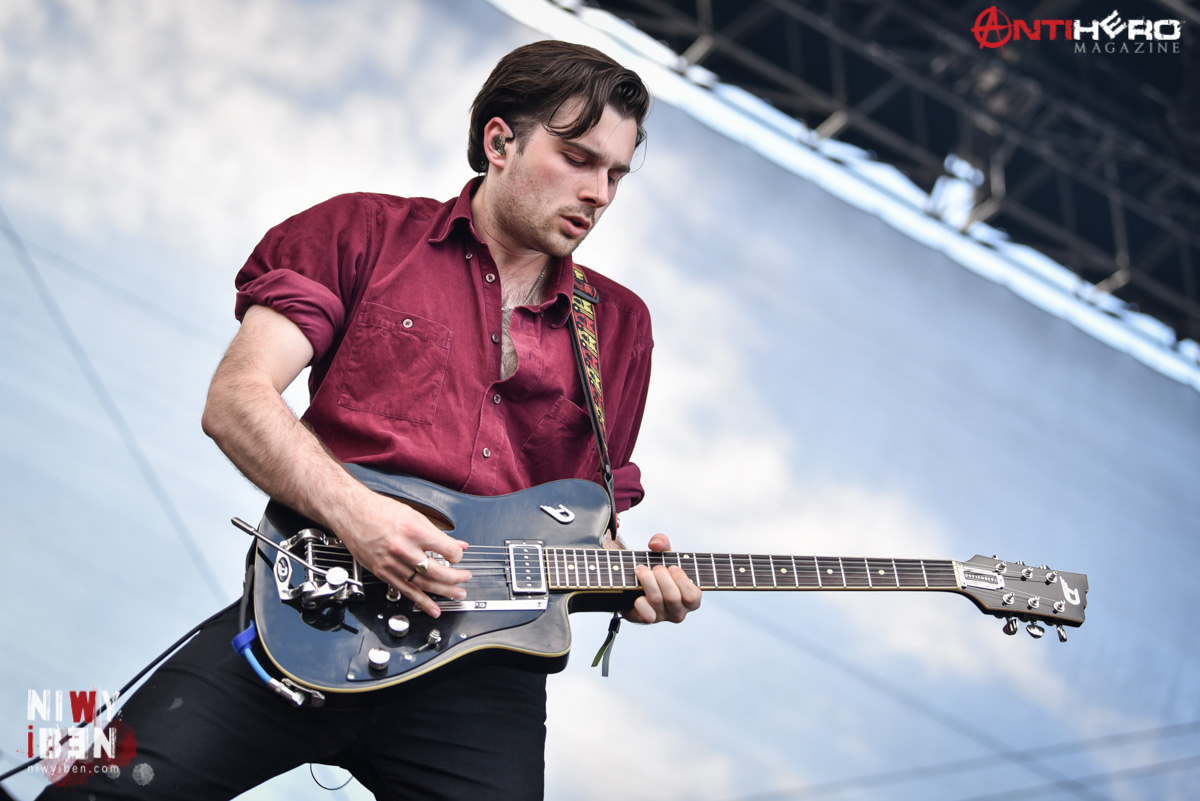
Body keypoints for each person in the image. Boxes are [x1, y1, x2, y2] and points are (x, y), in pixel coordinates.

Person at [37, 40, 701, 801]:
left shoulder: (618, 326)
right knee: (96, 789)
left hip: (483, 682)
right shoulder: (362, 232)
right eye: (578, 159)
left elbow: (580, 523)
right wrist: (360, 518)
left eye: (615, 174)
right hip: (311, 613)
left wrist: (630, 582)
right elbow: (237, 399)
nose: (599, 192)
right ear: (499, 142)